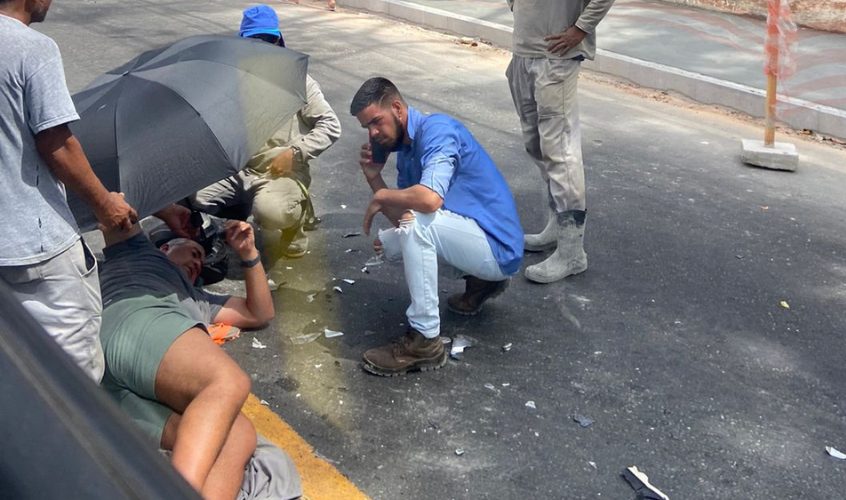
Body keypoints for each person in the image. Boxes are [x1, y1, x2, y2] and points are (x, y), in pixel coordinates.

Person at [0, 0, 138, 382]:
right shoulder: (32, 47)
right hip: (35, 247)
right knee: (74, 376)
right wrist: (104, 203)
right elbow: (57, 143)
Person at [350, 77, 524, 376]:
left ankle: (425, 340)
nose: (373, 133)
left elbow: (428, 202)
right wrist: (373, 177)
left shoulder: (438, 131)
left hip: (498, 247)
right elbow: (404, 222)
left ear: (397, 108)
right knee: (388, 244)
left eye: (377, 122)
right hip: (475, 240)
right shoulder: (406, 154)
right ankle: (483, 283)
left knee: (418, 224)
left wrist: (383, 195)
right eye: (367, 127)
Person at [98, 204, 274, 499]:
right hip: (129, 318)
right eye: (193, 252)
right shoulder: (137, 251)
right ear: (165, 246)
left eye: (202, 260)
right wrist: (166, 210)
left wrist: (248, 254)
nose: (198, 262)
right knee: (227, 382)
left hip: (107, 385)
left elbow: (260, 313)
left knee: (237, 434)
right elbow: (112, 202)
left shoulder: (198, 300)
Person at [192, 4, 341, 261]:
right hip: (240, 169)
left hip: (281, 170)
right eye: (254, 41)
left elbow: (331, 125)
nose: (262, 46)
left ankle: (296, 221)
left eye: (268, 39)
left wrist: (295, 153)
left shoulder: (299, 81)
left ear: (278, 41)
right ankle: (239, 209)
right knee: (194, 195)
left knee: (272, 212)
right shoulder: (232, 81)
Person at [506, 0, 615, 283]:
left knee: (560, 152)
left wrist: (581, 28)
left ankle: (572, 251)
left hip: (556, 58)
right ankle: (557, 227)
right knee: (536, 144)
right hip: (523, 51)